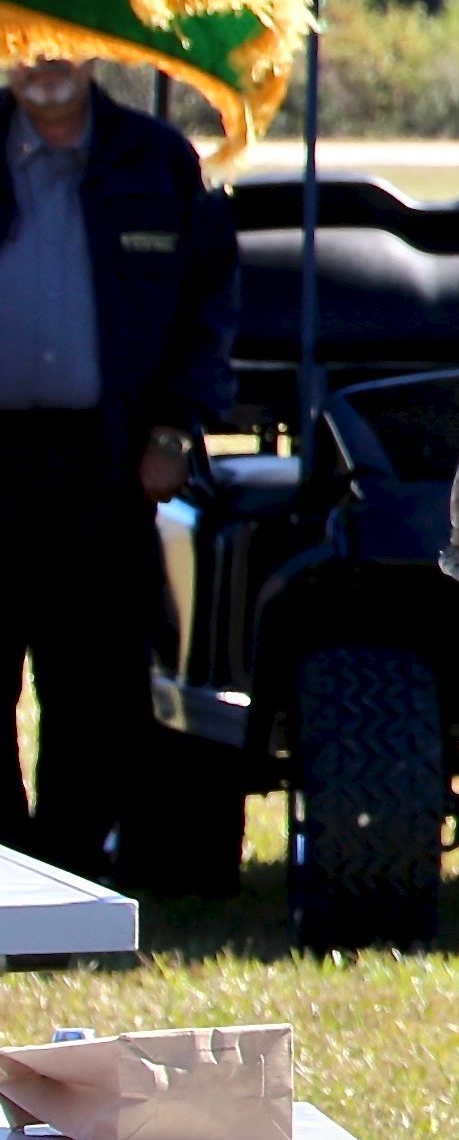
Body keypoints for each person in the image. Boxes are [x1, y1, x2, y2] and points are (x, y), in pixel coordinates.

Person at [0, 52, 224, 875]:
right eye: (28, 44)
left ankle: (65, 867)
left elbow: (209, 304)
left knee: (91, 680)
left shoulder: (156, 158)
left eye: (63, 45)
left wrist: (174, 431)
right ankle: (3, 862)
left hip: (108, 458)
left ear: (92, 51)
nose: (46, 64)